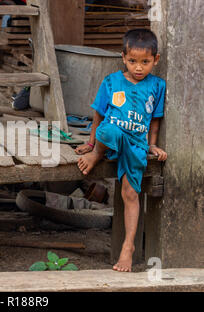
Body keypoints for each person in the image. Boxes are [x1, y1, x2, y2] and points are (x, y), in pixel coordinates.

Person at [75, 29, 168, 272]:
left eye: (145, 62)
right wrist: (91, 144)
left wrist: (152, 145)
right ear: (123, 58)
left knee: (130, 194)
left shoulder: (157, 86)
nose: (139, 68)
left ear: (155, 60)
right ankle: (97, 155)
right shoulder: (111, 81)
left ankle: (128, 246)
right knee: (109, 129)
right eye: (133, 61)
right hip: (110, 138)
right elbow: (98, 114)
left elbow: (155, 120)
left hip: (136, 145)